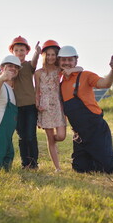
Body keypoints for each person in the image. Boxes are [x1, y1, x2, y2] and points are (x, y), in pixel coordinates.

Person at [58, 45, 113, 174]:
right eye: (63, 60)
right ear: (59, 61)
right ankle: (95, 160)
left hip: (96, 129)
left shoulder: (86, 75)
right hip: (80, 134)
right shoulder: (61, 84)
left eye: (70, 60)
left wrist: (112, 71)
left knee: (108, 169)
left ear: (76, 61)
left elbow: (105, 83)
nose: (66, 63)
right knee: (80, 168)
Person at [34, 40, 82, 172]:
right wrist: (37, 104)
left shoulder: (59, 70)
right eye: (47, 54)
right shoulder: (38, 73)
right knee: (50, 138)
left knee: (61, 136)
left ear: (57, 56)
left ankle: (52, 141)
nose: (50, 57)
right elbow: (36, 90)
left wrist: (70, 70)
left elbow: (80, 69)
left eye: (53, 55)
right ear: (44, 56)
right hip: (44, 106)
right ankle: (57, 167)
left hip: (58, 106)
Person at [9, 36, 40, 169]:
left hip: (30, 106)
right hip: (17, 107)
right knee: (22, 136)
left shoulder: (28, 65)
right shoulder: (10, 68)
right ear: (13, 52)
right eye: (17, 50)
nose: (20, 52)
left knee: (30, 135)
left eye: (22, 50)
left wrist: (37, 53)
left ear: (26, 51)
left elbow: (34, 62)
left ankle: (33, 163)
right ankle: (24, 163)